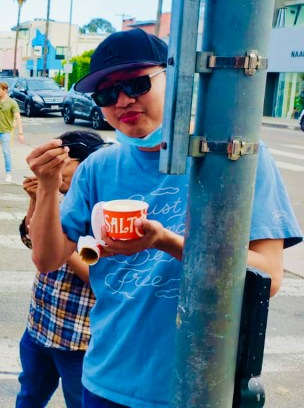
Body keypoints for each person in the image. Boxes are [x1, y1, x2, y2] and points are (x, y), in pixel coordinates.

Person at [26, 29, 303, 408]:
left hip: (198, 388)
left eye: (136, 84)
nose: (122, 100)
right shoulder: (98, 167)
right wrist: (45, 186)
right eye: (106, 94)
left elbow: (266, 278)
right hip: (105, 381)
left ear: (175, 78)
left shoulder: (237, 160)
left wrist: (166, 243)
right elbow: (48, 258)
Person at [16, 130, 106, 408]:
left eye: (62, 163)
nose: (57, 172)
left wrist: (59, 246)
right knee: (28, 398)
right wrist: (38, 199)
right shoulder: (59, 199)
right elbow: (31, 241)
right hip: (40, 327)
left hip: (77, 339)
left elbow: (97, 277)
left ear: (84, 164)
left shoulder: (100, 210)